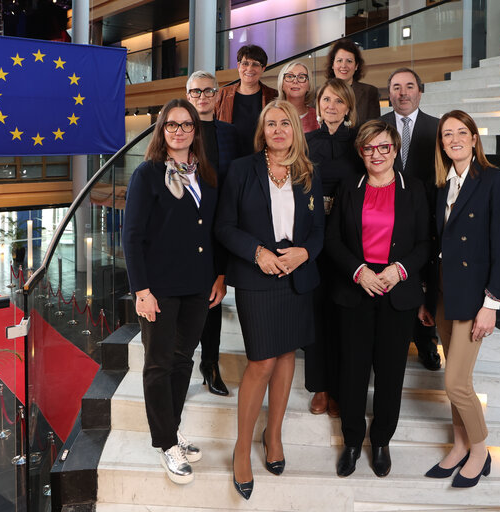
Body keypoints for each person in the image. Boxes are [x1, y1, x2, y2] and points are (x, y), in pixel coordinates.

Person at [215, 100, 324, 500]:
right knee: (261, 360)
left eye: (285, 123)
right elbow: (224, 226)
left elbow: (319, 232)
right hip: (256, 276)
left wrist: (305, 253)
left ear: (296, 128)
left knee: (285, 356)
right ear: (263, 130)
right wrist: (257, 252)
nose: (279, 129)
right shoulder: (242, 170)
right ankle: (242, 447)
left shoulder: (309, 173)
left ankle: (273, 435)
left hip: (297, 277)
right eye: (271, 123)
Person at [122, 98, 223, 485]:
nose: (179, 131)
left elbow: (210, 232)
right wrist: (141, 290)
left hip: (197, 285)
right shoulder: (147, 174)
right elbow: (132, 236)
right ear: (162, 131)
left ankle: (171, 428)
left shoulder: (206, 175)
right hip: (159, 288)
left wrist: (218, 276)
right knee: (159, 364)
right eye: (171, 125)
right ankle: (165, 443)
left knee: (183, 361)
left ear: (195, 132)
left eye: (186, 125)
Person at [325, 120, 429, 478]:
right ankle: (352, 442)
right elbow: (333, 240)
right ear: (360, 152)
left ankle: (381, 440)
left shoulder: (414, 189)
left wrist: (399, 270)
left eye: (384, 147)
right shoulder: (348, 188)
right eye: (369, 148)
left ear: (395, 149)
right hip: (357, 290)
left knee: (390, 372)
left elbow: (425, 244)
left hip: (397, 293)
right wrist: (359, 271)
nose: (377, 154)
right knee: (352, 372)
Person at [418, 110, 500, 488]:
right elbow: (435, 246)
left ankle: (480, 449)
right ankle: (459, 446)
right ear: (441, 143)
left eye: (462, 132)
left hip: (474, 296)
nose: (454, 139)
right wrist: (428, 297)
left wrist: (491, 304)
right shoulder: (442, 185)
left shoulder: (495, 181)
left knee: (456, 382)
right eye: (447, 134)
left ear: (475, 138)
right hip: (443, 292)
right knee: (456, 378)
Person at [303, 78, 364, 418]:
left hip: (347, 233)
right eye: (327, 100)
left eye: (339, 101)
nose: (332, 106)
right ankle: (320, 387)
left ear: (348, 107)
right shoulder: (307, 140)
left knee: (342, 310)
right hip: (312, 231)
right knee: (316, 309)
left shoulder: (358, 142)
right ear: (318, 105)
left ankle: (340, 387)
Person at [381, 67, 442, 372]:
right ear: (389, 92)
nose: (402, 93)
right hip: (384, 214)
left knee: (425, 274)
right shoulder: (377, 126)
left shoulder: (439, 127)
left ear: (420, 90)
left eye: (408, 87)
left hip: (425, 214)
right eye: (395, 87)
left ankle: (426, 339)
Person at [185, 70, 242, 396]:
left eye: (208, 91)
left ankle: (210, 364)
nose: (203, 97)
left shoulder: (231, 133)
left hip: (220, 226)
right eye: (196, 92)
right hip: (188, 227)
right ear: (188, 95)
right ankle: (185, 362)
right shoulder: (181, 131)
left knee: (214, 299)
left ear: (217, 95)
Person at [215, 44, 278, 155]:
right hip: (228, 160)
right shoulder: (221, 94)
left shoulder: (273, 96)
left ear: (263, 68)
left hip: (262, 159)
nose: (249, 69)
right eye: (245, 63)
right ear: (238, 66)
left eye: (255, 64)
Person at [325, 38, 380, 126]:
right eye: (339, 60)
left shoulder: (370, 92)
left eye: (349, 61)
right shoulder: (320, 93)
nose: (343, 65)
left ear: (356, 66)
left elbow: (373, 129)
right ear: (332, 65)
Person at [277, 60, 318, 132]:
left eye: (301, 77)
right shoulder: (272, 114)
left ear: (309, 86)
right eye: (289, 76)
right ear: (282, 84)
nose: (295, 81)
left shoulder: (317, 116)